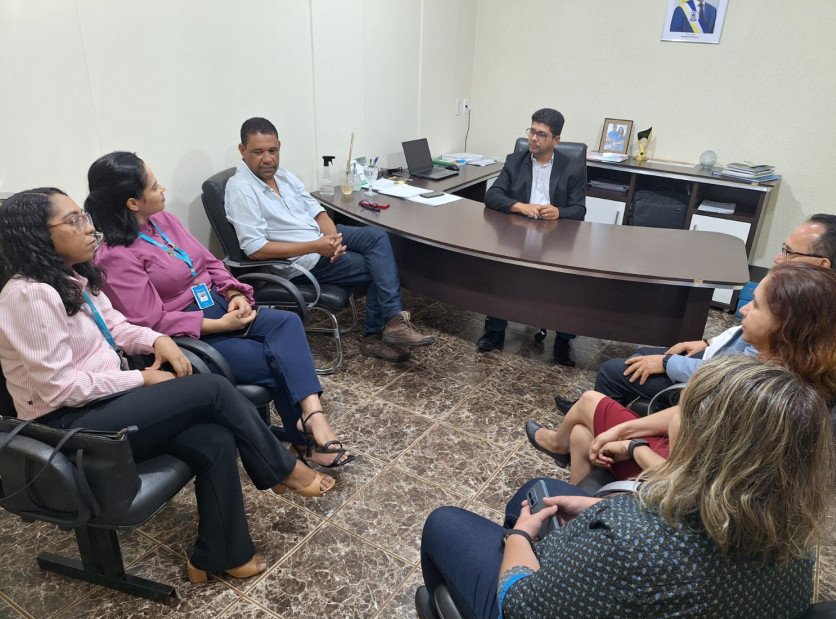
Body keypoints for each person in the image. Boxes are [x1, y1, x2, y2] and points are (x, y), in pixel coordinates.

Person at [418, 356, 836, 619]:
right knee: (534, 494)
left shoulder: (627, 545)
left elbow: (521, 612)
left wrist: (521, 540)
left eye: (682, 417)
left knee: (445, 523)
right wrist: (599, 507)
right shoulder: (798, 535)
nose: (670, 427)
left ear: (704, 446)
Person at [0, 188, 336, 582]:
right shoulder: (29, 296)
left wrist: (156, 340)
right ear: (37, 235)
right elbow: (58, 389)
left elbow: (117, 327)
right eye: (74, 221)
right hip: (63, 426)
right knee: (211, 390)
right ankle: (280, 469)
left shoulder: (74, 277)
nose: (90, 228)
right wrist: (140, 376)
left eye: (85, 217)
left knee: (213, 438)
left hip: (103, 405)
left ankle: (221, 554)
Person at [86, 151, 351, 469]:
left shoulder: (163, 221)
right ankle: (308, 438)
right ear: (132, 203)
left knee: (286, 323)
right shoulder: (115, 256)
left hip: (219, 305)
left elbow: (210, 263)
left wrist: (234, 291)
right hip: (190, 335)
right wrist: (220, 325)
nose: (163, 189)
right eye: (155, 187)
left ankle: (311, 418)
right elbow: (150, 322)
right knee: (278, 361)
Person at [529, 263, 836, 483]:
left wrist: (632, 447)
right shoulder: (778, 370)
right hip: (677, 454)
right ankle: (576, 523)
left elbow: (692, 483)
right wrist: (625, 429)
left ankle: (562, 458)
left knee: (587, 407)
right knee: (582, 436)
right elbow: (688, 411)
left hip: (671, 478)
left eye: (755, 305)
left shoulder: (761, 396)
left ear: (785, 325)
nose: (742, 309)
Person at [555, 213, 836, 411]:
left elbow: (734, 372)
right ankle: (596, 412)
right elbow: (742, 347)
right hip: (715, 366)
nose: (778, 258)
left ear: (823, 265)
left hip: (710, 390)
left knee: (614, 369)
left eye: (788, 251)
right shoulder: (821, 304)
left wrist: (667, 363)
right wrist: (707, 344)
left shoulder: (803, 309)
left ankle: (598, 416)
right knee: (643, 354)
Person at [224, 117, 433, 363]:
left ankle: (393, 322)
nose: (268, 159)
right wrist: (317, 246)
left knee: (378, 237)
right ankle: (375, 336)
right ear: (242, 150)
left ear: (279, 145)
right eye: (258, 152)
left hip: (319, 240)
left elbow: (317, 210)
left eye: (273, 150)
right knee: (378, 265)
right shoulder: (241, 189)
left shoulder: (283, 176)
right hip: (301, 262)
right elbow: (255, 249)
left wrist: (331, 239)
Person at [481, 108, 587, 366]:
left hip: (555, 236)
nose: (533, 139)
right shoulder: (514, 160)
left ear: (556, 140)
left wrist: (559, 211)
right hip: (518, 231)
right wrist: (521, 206)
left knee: (565, 281)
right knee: (500, 268)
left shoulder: (572, 167)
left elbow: (580, 210)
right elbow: (492, 196)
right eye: (531, 131)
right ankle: (495, 331)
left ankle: (563, 341)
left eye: (541, 134)